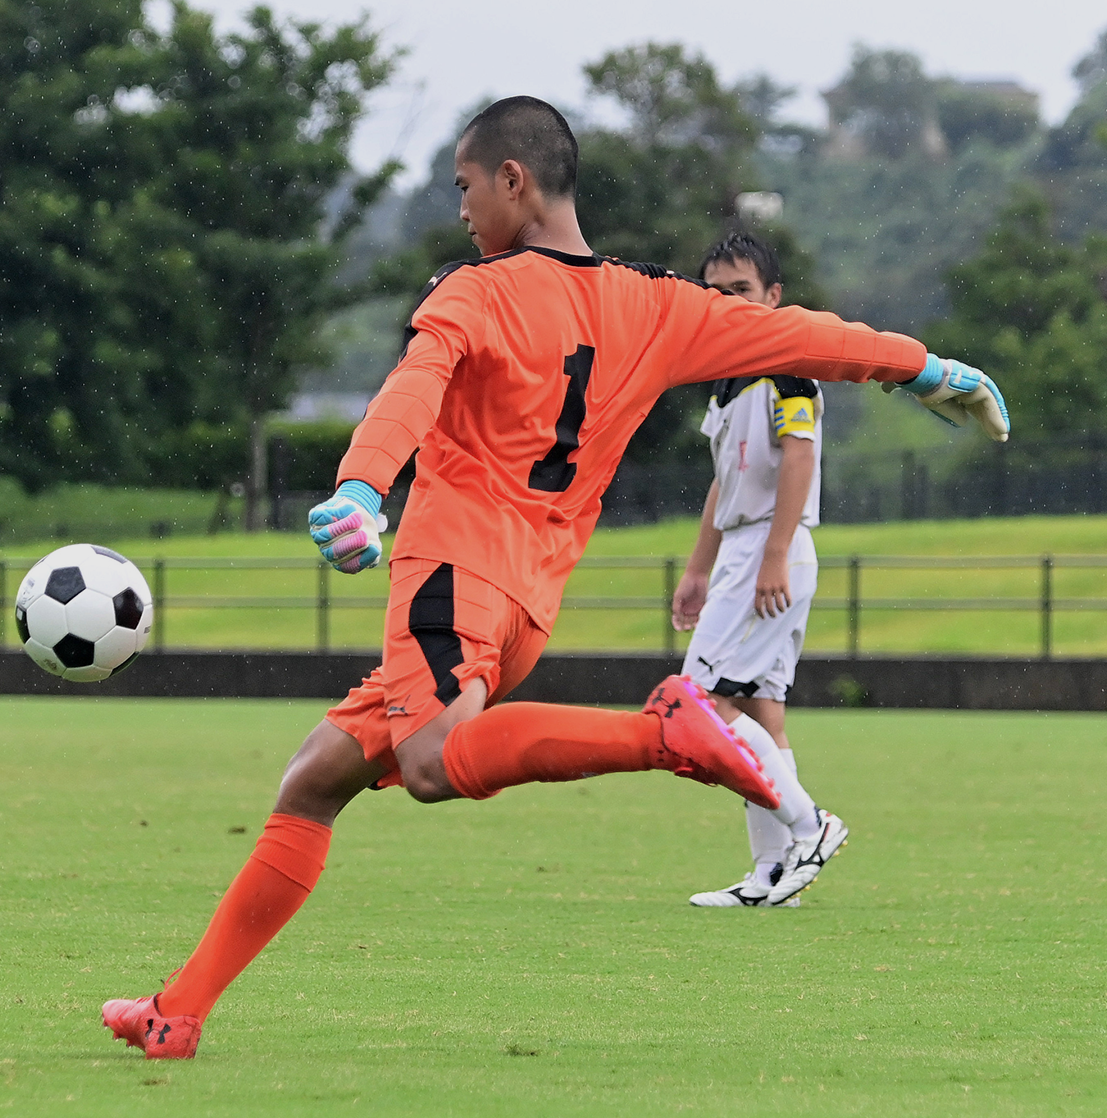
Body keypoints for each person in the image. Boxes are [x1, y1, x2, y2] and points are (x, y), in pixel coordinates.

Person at [101, 96, 1009, 1059]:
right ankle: (180, 1012)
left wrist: (363, 488)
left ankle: (661, 733)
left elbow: (412, 386)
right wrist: (924, 368)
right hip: (528, 605)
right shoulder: (657, 305)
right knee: (316, 777)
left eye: (463, 186)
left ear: (513, 181)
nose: (459, 208)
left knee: (428, 765)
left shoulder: (473, 291)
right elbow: (806, 339)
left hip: (451, 573)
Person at [674, 232, 836, 908]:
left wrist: (771, 555)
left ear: (773, 297)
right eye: (713, 293)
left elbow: (798, 455)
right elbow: (723, 482)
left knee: (696, 705)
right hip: (744, 551)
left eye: (740, 290)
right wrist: (696, 568)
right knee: (763, 711)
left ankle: (811, 826)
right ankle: (774, 877)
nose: (726, 304)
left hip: (773, 549)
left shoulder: (788, 364)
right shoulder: (725, 379)